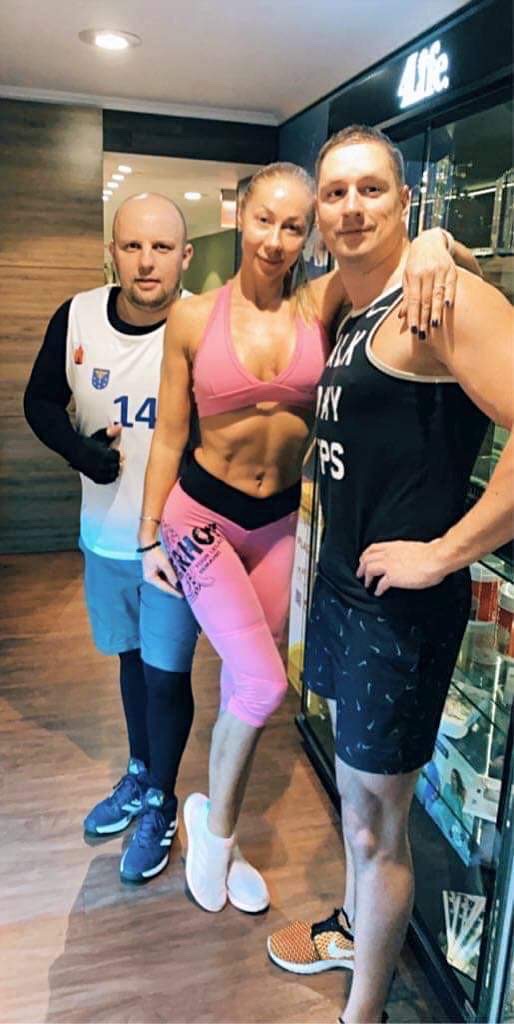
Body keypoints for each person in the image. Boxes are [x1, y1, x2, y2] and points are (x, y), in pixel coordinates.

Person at [138, 160, 479, 916]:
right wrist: (148, 535)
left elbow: (397, 263)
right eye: (265, 220)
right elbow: (167, 435)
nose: (277, 239)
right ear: (241, 217)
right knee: (264, 684)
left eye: (294, 226)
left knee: (244, 685)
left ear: (310, 235)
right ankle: (216, 838)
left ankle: (213, 815)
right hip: (201, 519)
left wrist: (435, 240)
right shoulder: (194, 318)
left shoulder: (321, 301)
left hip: (277, 525)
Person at [266, 126, 513, 1024]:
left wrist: (445, 552)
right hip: (347, 592)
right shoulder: (362, 298)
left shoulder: (442, 301)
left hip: (398, 613)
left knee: (378, 826)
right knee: (356, 805)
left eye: (371, 188)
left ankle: (362, 1013)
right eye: (335, 193)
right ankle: (350, 927)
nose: (350, 207)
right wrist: (444, 240)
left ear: (405, 199)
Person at [24, 193, 201, 884]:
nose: (146, 261)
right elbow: (40, 400)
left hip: (176, 544)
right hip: (104, 536)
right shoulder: (76, 316)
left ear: (185, 257)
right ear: (112, 252)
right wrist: (80, 451)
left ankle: (162, 800)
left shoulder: (203, 325)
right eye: (133, 246)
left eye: (162, 247)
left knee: (166, 675)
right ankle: (140, 771)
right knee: (130, 661)